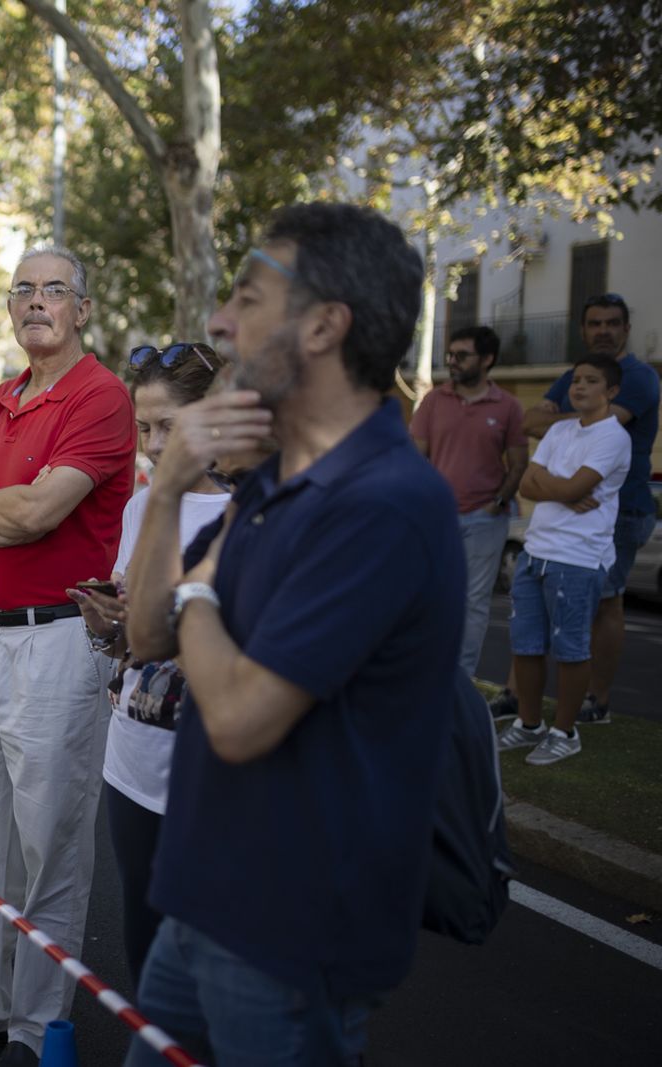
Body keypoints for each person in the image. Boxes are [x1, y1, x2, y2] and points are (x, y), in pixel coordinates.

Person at [120, 203, 463, 1067]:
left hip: (290, 934)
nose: (218, 323)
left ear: (323, 325)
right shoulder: (267, 483)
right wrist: (166, 491)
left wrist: (198, 596)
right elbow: (146, 633)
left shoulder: (386, 503)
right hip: (200, 905)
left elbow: (236, 717)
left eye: (246, 298)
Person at [0, 245, 136, 1066]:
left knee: (49, 839)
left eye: (55, 290)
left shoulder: (102, 395)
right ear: (10, 310)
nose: (37, 301)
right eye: (24, 290)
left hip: (59, 639)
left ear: (82, 309)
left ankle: (35, 1024)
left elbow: (37, 516)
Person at [65, 342, 233, 997]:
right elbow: (124, 644)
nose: (153, 444)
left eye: (169, 426)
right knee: (147, 947)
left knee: (215, 958)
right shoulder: (140, 507)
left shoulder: (248, 512)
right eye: (144, 428)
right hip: (132, 760)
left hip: (212, 771)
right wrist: (104, 619)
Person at [495, 293, 659, 725]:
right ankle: (516, 695)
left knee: (605, 603)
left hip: (620, 509)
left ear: (626, 328)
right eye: (594, 323)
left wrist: (561, 421)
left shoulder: (638, 377)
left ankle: (596, 701)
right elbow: (531, 426)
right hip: (565, 506)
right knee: (535, 608)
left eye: (612, 323)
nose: (602, 330)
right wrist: (562, 488)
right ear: (583, 330)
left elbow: (603, 422)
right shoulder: (576, 375)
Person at [496, 355, 630, 766]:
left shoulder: (613, 437)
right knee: (527, 645)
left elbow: (570, 485)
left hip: (577, 558)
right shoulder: (559, 430)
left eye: (591, 381)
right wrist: (562, 491)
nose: (580, 387)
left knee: (571, 649)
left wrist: (552, 486)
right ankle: (530, 724)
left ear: (611, 392)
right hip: (536, 552)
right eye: (575, 380)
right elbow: (529, 484)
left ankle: (564, 732)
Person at [410, 325, 528, 675]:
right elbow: (416, 458)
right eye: (450, 355)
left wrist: (498, 501)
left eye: (462, 355)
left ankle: (460, 682)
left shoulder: (508, 406)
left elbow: (518, 463)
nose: (452, 362)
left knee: (473, 604)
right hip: (438, 518)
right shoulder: (434, 400)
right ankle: (426, 672)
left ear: (487, 359)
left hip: (485, 520)